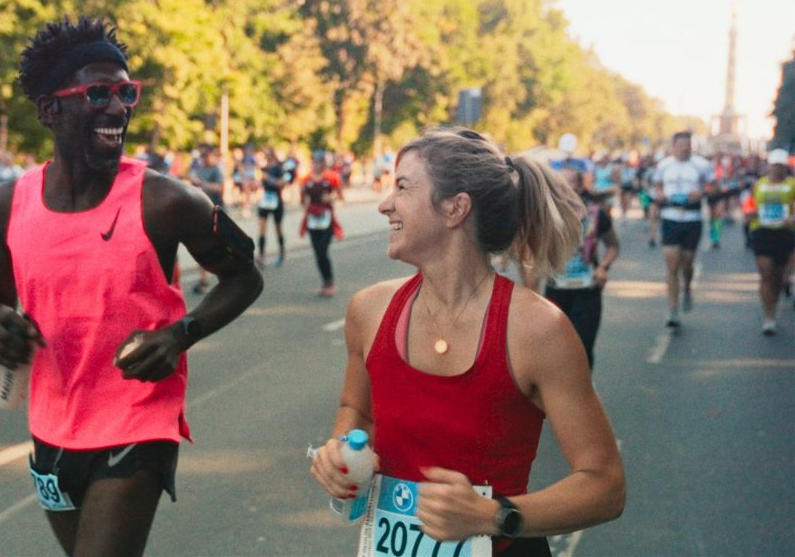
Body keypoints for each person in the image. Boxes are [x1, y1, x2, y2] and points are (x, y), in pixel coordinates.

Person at [0, 16, 263, 557]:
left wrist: (180, 335)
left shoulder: (169, 201)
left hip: (137, 417)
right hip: (51, 424)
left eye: (126, 92)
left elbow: (245, 275)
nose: (118, 107)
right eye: (98, 93)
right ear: (50, 110)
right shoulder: (10, 205)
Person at [310, 128, 625, 557]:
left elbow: (605, 484)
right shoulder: (369, 311)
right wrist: (341, 452)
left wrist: (492, 516)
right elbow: (357, 410)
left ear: (455, 208)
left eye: (402, 187)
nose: (385, 204)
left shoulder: (537, 329)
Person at [535, 164, 620, 369]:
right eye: (559, 183)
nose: (564, 188)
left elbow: (613, 246)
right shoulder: (546, 215)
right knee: (555, 351)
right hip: (556, 291)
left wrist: (603, 267)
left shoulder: (596, 215)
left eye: (570, 182)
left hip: (587, 290)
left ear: (580, 186)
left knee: (583, 348)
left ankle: (582, 395)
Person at [652, 131, 716, 329]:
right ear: (674, 146)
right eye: (681, 145)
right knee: (672, 266)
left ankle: (687, 287)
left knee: (687, 263)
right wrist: (660, 197)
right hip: (670, 218)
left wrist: (703, 192)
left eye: (688, 145)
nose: (685, 148)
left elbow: (714, 188)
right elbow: (657, 187)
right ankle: (673, 310)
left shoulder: (701, 165)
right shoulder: (664, 166)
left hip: (692, 219)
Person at [746, 149, 794, 335]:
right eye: (774, 166)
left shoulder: (792, 185)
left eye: (780, 166)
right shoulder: (759, 185)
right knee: (766, 274)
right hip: (762, 232)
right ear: (769, 166)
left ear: (785, 167)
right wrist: (750, 213)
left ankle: (782, 289)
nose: (776, 170)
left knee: (779, 277)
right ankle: (769, 317)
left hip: (785, 234)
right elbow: (749, 207)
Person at [300, 150, 344, 297]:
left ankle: (330, 282)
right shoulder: (306, 178)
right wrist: (304, 203)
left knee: (323, 251)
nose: (316, 165)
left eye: (319, 162)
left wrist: (330, 197)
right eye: (314, 162)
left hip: (326, 218)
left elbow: (340, 195)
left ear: (324, 163)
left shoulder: (331, 177)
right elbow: (302, 197)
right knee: (317, 253)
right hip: (313, 219)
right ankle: (325, 282)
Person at [188, 145, 225, 295]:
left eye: (206, 156)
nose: (203, 159)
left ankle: (225, 276)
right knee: (200, 245)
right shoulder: (200, 170)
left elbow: (219, 188)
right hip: (201, 212)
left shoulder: (216, 170)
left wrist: (202, 184)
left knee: (219, 246)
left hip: (216, 210)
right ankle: (203, 280)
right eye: (202, 156)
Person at [256, 147, 292, 267]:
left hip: (276, 200)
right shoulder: (263, 169)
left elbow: (281, 184)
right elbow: (259, 184)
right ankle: (261, 255)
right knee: (261, 228)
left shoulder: (279, 168)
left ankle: (282, 253)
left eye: (267, 154)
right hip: (266, 200)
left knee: (278, 229)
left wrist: (269, 179)